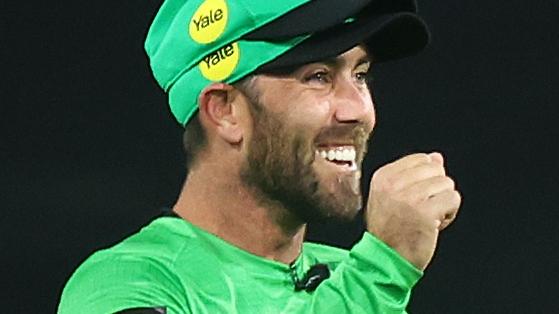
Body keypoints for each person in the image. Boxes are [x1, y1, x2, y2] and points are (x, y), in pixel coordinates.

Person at [58, 0, 461, 313]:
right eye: (318, 77)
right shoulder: (125, 284)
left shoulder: (348, 275)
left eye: (359, 75)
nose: (359, 110)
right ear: (225, 110)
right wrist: (382, 271)